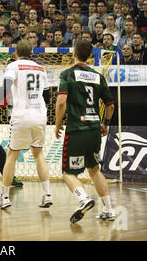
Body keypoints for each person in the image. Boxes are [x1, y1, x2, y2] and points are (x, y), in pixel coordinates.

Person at [0, 39, 52, 209]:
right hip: (40, 115)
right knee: (38, 154)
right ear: (31, 53)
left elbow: (5, 88)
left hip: (21, 115)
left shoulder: (14, 66)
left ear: (15, 52)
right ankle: (47, 194)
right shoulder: (41, 69)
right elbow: (47, 97)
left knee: (11, 156)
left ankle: (6, 197)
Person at [55, 40, 116, 223]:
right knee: (94, 169)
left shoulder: (67, 74)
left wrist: (58, 124)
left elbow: (61, 102)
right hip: (95, 130)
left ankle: (83, 198)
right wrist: (105, 124)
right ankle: (109, 210)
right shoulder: (98, 76)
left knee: (68, 173)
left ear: (74, 52)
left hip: (76, 130)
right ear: (89, 56)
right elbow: (111, 105)